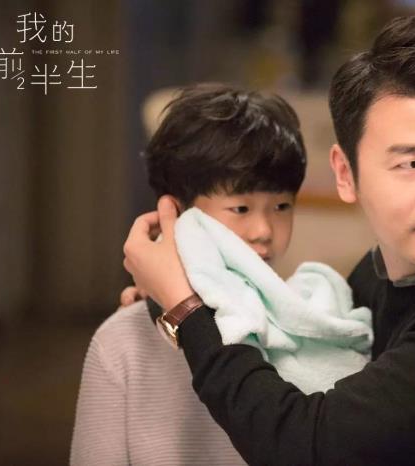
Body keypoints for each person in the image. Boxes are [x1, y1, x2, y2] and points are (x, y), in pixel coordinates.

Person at [122, 14, 415, 466]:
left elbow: (307, 447)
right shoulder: (391, 267)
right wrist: (179, 290)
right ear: (346, 173)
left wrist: (187, 310)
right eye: (412, 164)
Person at [71, 82, 309, 465]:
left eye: (281, 206)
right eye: (241, 209)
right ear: (176, 212)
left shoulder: (305, 326)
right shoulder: (123, 342)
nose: (264, 230)